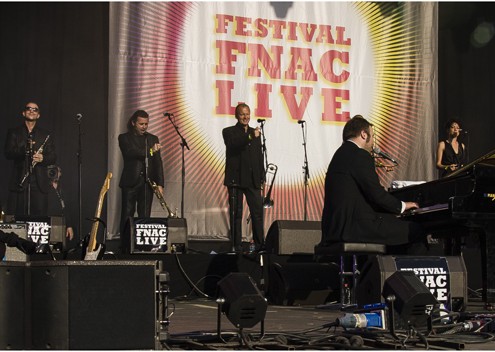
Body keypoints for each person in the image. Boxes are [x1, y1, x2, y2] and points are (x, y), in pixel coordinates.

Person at [319, 115, 427, 254]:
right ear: (364, 134)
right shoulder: (360, 155)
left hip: (334, 229)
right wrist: (401, 206)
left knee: (395, 226)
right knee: (415, 231)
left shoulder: (339, 154)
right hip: (355, 228)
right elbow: (376, 194)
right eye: (373, 136)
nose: (373, 143)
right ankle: (404, 275)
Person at [118, 110, 164, 253]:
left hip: (147, 183)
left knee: (145, 215)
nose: (144, 127)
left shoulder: (152, 138)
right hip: (131, 181)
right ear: (133, 123)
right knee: (127, 214)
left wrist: (160, 184)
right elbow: (132, 153)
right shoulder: (124, 137)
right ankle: (125, 246)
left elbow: (158, 163)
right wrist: (151, 151)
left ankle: (143, 246)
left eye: (146, 124)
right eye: (141, 124)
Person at [222, 103, 265, 252]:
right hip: (236, 180)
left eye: (247, 114)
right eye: (242, 114)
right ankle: (236, 245)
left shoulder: (255, 133)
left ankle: (260, 244)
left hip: (253, 180)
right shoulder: (229, 132)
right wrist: (250, 136)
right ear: (236, 116)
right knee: (236, 214)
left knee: (257, 213)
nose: (245, 117)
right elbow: (234, 145)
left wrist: (262, 176)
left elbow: (259, 156)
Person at [4, 102, 56, 216]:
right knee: (19, 218)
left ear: (38, 115)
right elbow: (8, 153)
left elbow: (53, 157)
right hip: (20, 181)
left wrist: (42, 158)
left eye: (35, 109)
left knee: (38, 219)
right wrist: (25, 151)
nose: (32, 111)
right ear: (23, 113)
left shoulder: (46, 134)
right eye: (29, 108)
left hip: (39, 183)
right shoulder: (14, 132)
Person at [46, 165, 74, 241]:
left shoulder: (62, 188)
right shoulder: (44, 188)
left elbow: (66, 208)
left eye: (57, 171)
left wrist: (69, 226)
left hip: (59, 223)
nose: (55, 173)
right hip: (46, 223)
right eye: (52, 171)